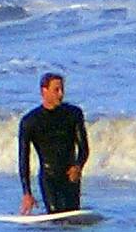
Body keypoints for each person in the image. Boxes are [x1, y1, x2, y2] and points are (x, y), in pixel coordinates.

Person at [18, 73, 90, 214]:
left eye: (62, 89)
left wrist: (78, 166)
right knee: (56, 217)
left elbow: (84, 148)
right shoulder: (30, 121)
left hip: (71, 177)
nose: (61, 94)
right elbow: (23, 159)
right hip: (49, 177)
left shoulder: (74, 114)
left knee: (72, 217)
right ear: (44, 91)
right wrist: (27, 193)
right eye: (56, 90)